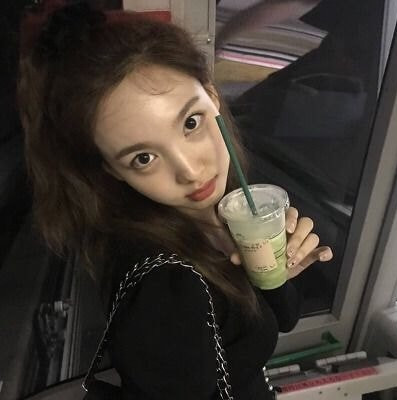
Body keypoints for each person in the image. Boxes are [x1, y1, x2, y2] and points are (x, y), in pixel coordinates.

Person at [18, 2, 333, 399]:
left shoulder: (228, 208)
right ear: (113, 171)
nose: (190, 171)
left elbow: (283, 318)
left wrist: (276, 272)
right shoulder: (166, 290)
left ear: (212, 96)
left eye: (190, 122)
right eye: (143, 158)